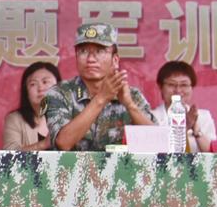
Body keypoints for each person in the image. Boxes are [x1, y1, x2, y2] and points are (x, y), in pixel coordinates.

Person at [44, 22, 155, 152]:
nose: (91, 59)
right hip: (71, 166)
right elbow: (63, 143)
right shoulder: (60, 93)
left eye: (100, 51)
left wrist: (130, 105)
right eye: (83, 51)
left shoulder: (132, 96)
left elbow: (158, 142)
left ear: (115, 60)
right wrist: (101, 98)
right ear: (76, 57)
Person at [154, 60, 217, 153]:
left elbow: (213, 154)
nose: (178, 90)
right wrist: (186, 127)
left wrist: (196, 129)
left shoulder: (203, 116)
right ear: (160, 87)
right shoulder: (151, 117)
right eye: (171, 84)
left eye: (184, 85)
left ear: (192, 87)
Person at [1, 60, 60, 151]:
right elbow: (9, 154)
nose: (40, 88)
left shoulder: (70, 117)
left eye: (45, 82)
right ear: (26, 92)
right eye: (33, 84)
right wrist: (43, 144)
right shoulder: (15, 119)